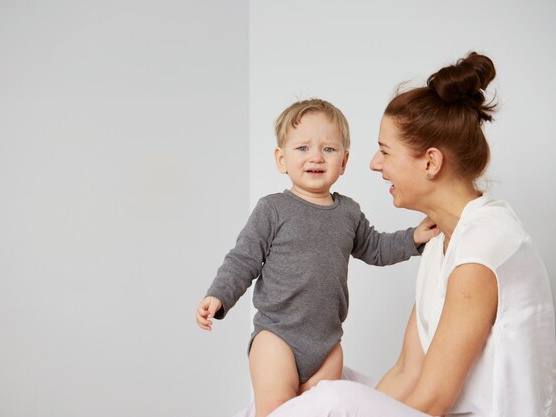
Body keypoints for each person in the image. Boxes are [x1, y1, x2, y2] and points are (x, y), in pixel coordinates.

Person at [234, 52, 556, 417]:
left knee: (329, 401)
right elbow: (408, 370)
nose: (374, 163)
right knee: (318, 394)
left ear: (431, 163)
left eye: (385, 151)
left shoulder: (483, 247)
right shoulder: (442, 242)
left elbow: (433, 401)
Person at [195, 98, 439, 417]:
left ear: (344, 161)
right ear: (281, 159)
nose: (316, 157)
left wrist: (414, 238)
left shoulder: (348, 213)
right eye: (302, 149)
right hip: (277, 337)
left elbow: (376, 248)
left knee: (322, 411)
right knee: (278, 412)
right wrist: (219, 295)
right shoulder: (272, 209)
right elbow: (243, 260)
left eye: (328, 149)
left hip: (327, 345)